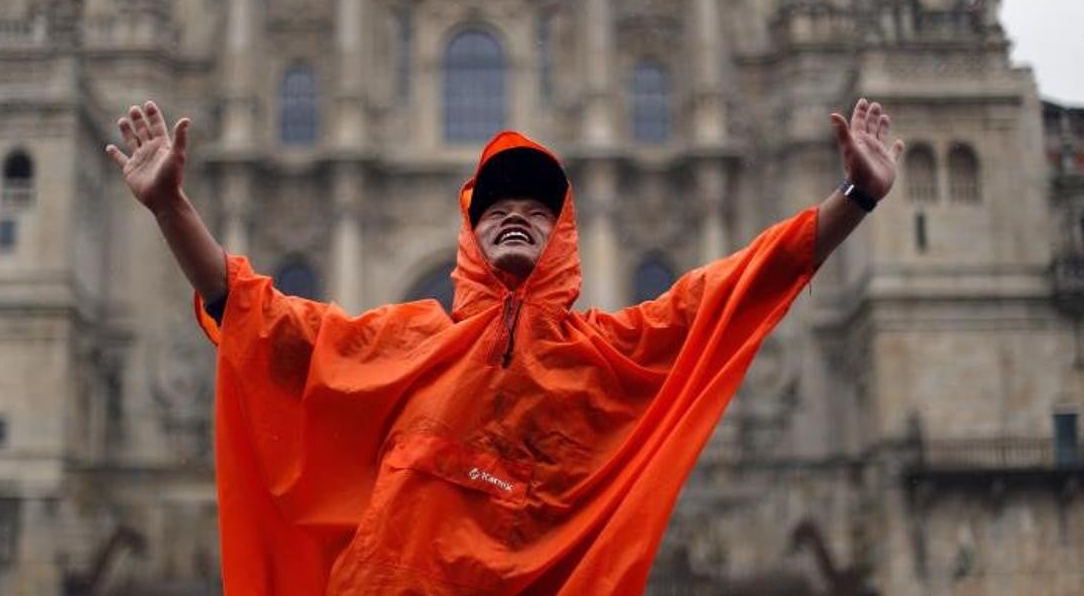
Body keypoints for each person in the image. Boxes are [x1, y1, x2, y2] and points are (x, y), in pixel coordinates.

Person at [105, 98, 902, 594]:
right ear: (468, 231)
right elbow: (254, 316)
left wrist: (857, 196)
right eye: (494, 206)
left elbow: (739, 286)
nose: (514, 214)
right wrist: (172, 209)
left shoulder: (611, 352)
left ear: (565, 237)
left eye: (537, 207)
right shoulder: (403, 340)